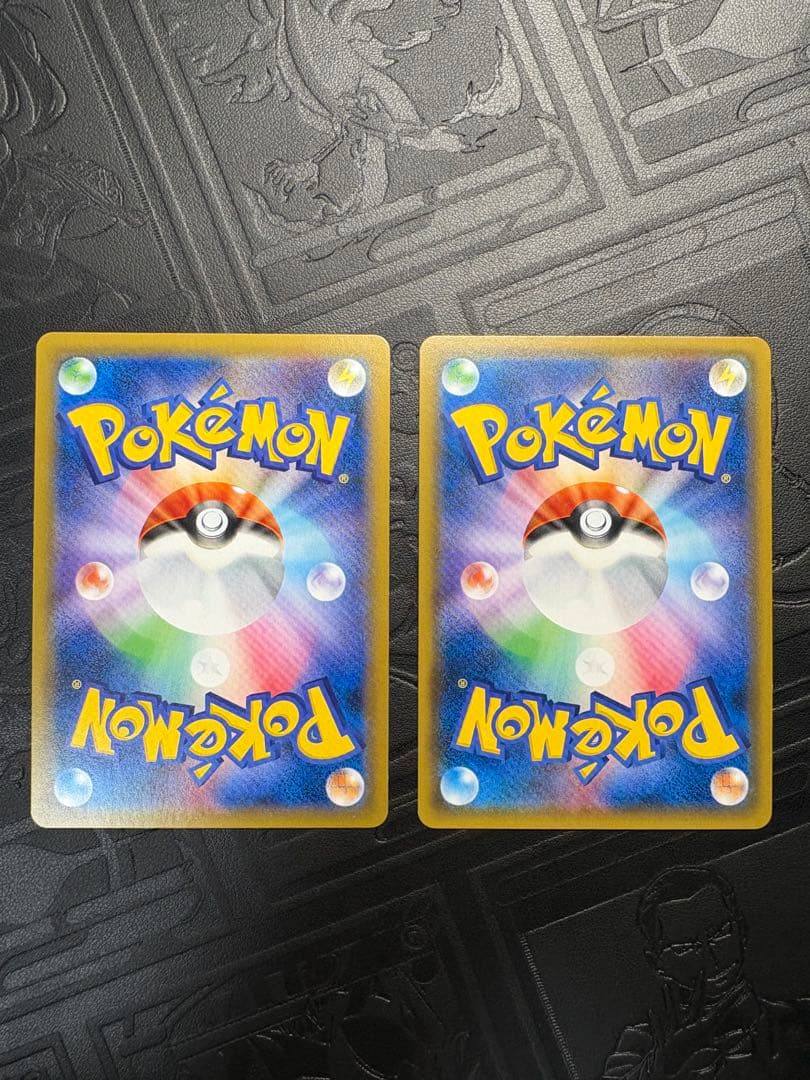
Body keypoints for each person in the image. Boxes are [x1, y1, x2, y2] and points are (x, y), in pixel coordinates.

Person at [603, 866, 810, 1078]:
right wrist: (665, 1065)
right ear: (656, 962)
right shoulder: (638, 1045)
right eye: (685, 948)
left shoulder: (799, 1018)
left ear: (741, 929)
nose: (712, 959)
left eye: (721, 934)